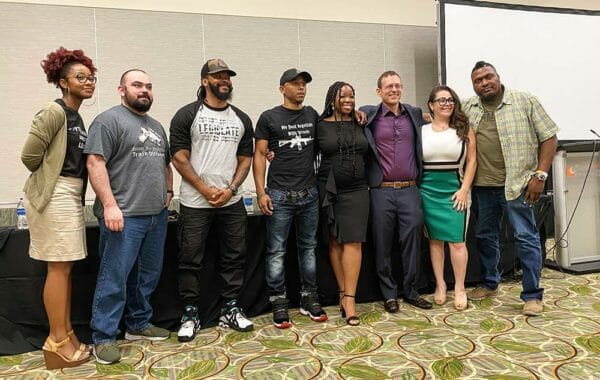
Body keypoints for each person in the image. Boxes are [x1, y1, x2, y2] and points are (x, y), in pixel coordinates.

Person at [85, 69, 173, 364]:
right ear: (121, 90)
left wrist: (169, 194)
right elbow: (95, 162)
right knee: (115, 278)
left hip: (156, 216)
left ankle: (138, 324)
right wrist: (109, 205)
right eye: (137, 85)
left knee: (147, 276)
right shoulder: (108, 121)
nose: (144, 90)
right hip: (123, 216)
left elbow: (166, 164)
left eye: (148, 86)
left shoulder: (157, 126)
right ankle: (104, 336)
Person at [463, 61, 558, 316]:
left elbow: (549, 136)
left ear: (498, 77)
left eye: (488, 77)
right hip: (483, 187)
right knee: (484, 237)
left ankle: (532, 295)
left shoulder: (525, 101)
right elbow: (439, 113)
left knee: (526, 238)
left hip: (518, 185)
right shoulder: (468, 106)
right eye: (478, 80)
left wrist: (540, 175)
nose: (484, 83)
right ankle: (490, 283)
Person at [21, 47, 95, 369]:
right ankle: (55, 341)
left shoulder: (77, 116)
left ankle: (66, 335)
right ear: (63, 82)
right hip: (55, 194)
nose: (88, 82)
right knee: (58, 268)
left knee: (65, 268)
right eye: (81, 77)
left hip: (71, 193)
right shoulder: (54, 112)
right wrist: (53, 177)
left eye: (91, 77)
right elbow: (29, 157)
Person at [170, 58, 254, 342]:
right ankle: (191, 312)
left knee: (234, 256)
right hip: (195, 203)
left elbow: (245, 159)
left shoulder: (241, 118)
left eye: (227, 76)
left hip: (231, 202)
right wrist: (205, 190)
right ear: (205, 80)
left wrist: (230, 188)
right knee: (190, 259)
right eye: (217, 76)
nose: (224, 80)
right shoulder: (187, 115)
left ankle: (230, 308)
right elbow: (179, 158)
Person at [253, 68, 328, 329]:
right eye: (295, 84)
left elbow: (327, 139)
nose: (301, 88)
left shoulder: (313, 115)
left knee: (308, 249)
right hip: (279, 194)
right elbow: (260, 155)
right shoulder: (269, 117)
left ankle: (309, 297)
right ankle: (278, 301)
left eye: (303, 84)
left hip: (309, 194)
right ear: (282, 88)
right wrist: (260, 191)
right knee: (276, 251)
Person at [360, 71, 432, 312]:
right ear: (379, 91)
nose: (394, 90)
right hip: (380, 191)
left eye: (398, 86)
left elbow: (436, 120)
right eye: (389, 86)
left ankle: (411, 291)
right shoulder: (368, 115)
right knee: (382, 244)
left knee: (412, 242)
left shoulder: (413, 113)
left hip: (410, 189)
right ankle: (389, 294)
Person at [316, 81, 370, 326]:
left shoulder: (361, 121)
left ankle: (350, 298)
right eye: (342, 96)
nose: (348, 99)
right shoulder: (319, 126)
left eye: (352, 95)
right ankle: (341, 291)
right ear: (331, 99)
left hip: (358, 189)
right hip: (329, 188)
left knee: (353, 240)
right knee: (335, 239)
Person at [420, 85, 477, 311]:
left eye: (450, 100)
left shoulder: (464, 129)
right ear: (431, 105)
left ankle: (460, 288)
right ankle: (440, 284)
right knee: (435, 241)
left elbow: (472, 161)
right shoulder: (421, 130)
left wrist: (464, 189)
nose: (447, 104)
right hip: (427, 192)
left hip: (455, 191)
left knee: (457, 242)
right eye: (441, 100)